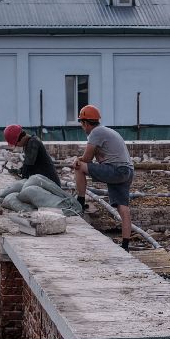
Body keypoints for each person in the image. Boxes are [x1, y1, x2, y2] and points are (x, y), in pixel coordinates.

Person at [71, 105, 135, 249]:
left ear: (85, 123)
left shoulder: (96, 132)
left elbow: (86, 158)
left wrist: (77, 159)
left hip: (116, 170)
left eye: (82, 124)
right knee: (123, 208)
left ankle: (80, 202)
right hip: (127, 171)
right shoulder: (107, 130)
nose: (82, 127)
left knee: (79, 166)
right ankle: (125, 245)